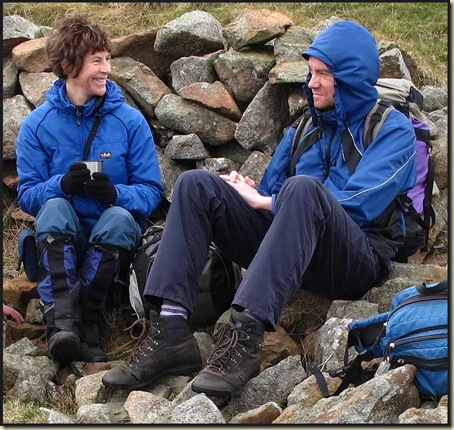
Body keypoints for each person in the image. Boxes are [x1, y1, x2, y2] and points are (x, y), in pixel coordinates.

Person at [102, 20, 416, 397]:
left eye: (322, 75)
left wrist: (270, 200)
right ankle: (169, 331)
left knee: (302, 189)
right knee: (196, 185)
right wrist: (248, 195)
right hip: (295, 253)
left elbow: (357, 205)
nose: (311, 83)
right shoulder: (304, 127)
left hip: (354, 259)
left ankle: (244, 337)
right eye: (310, 73)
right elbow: (271, 195)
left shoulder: (392, 130)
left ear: (350, 78)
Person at [16, 14, 164, 364]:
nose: (107, 69)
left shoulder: (130, 121)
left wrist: (116, 195)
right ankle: (61, 323)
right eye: (96, 60)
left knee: (119, 217)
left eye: (108, 59)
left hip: (112, 248)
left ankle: (89, 319)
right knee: (53, 207)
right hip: (61, 241)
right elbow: (28, 194)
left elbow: (151, 191)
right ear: (68, 65)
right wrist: (61, 185)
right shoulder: (37, 125)